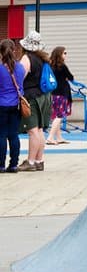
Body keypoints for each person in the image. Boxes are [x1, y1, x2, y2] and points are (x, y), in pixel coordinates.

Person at [17, 32, 51, 171]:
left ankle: (30, 162)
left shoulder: (27, 58)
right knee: (40, 130)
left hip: (31, 97)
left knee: (32, 131)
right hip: (44, 96)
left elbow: (20, 78)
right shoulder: (43, 59)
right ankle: (39, 160)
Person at [0, 39, 26, 173]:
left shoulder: (0, 68)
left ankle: (1, 165)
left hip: (2, 104)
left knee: (1, 135)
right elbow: (21, 86)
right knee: (14, 135)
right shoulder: (20, 67)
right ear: (14, 50)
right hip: (16, 105)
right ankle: (14, 164)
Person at [45, 45, 75, 144]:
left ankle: (58, 137)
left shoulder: (49, 65)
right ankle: (50, 137)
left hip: (52, 93)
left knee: (55, 115)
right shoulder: (62, 66)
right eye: (64, 53)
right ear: (60, 54)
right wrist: (66, 78)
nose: (66, 55)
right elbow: (71, 77)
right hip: (62, 93)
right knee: (59, 116)